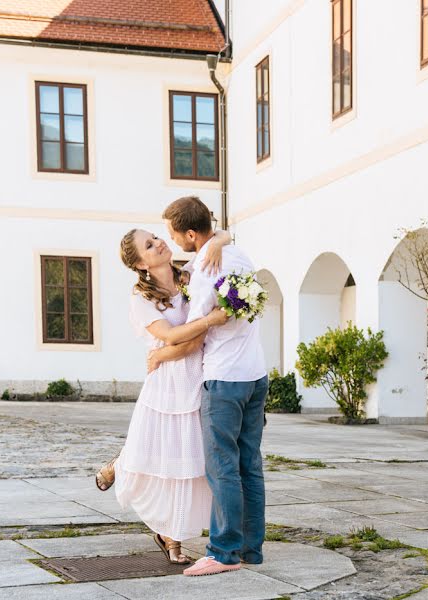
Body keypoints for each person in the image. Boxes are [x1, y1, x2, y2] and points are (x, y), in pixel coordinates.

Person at [94, 227, 228, 564]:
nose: (159, 243)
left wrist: (217, 244)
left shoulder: (191, 275)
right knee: (158, 455)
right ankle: (120, 467)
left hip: (198, 376)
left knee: (188, 459)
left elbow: (226, 232)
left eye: (156, 237)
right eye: (150, 245)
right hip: (167, 383)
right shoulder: (141, 299)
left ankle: (173, 535)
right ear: (140, 263)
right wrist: (209, 320)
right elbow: (170, 334)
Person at [162, 196, 268, 577]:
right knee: (249, 465)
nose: (173, 242)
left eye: (175, 236)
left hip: (223, 378)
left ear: (191, 234)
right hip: (256, 374)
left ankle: (223, 552)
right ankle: (251, 550)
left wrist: (162, 352)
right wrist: (221, 238)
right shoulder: (240, 255)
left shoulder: (208, 269)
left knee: (222, 467)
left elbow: (195, 330)